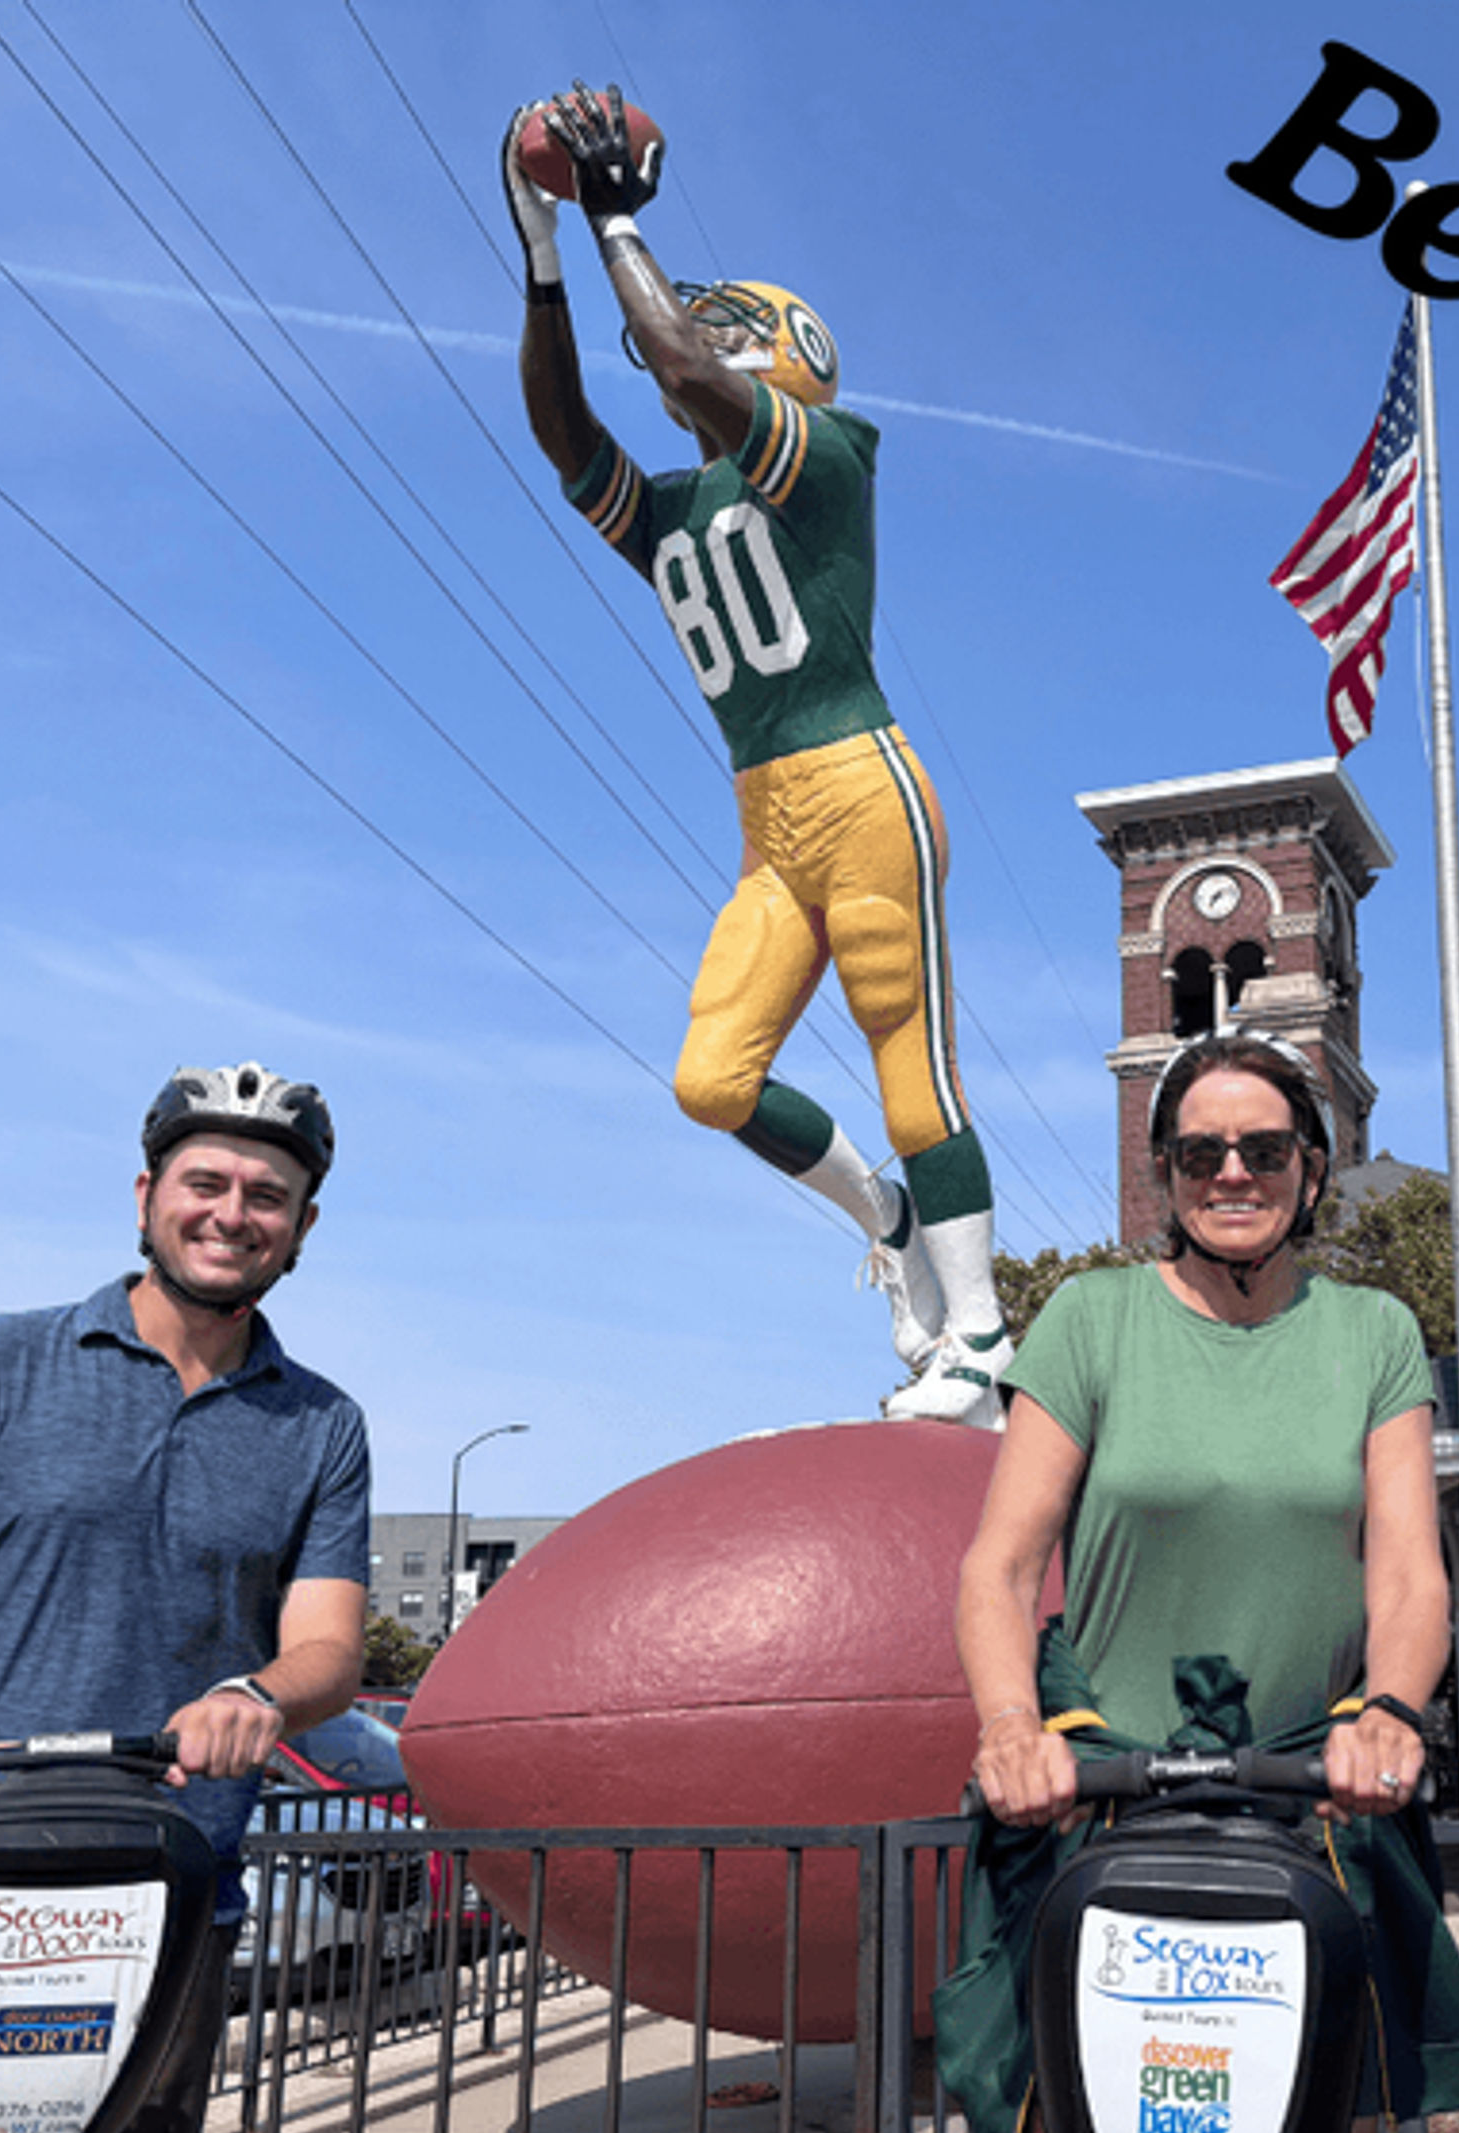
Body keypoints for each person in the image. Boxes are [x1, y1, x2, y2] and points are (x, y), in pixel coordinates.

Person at [502, 83, 1008, 1426]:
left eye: (729, 325)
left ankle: (983, 1331)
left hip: (859, 777)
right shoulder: (675, 511)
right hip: (767, 821)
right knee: (712, 1077)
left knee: (912, 1059)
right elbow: (568, 439)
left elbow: (678, 365)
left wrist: (614, 225)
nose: (691, 334)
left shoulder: (825, 454)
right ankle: (888, 1218)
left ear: (786, 352)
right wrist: (546, 253)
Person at [0, 1062, 375, 2133]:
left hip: (162, 1894)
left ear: (302, 1226)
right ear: (145, 1192)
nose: (232, 1213)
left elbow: (329, 1648)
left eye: (267, 1195)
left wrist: (259, 1693)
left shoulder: (323, 1425)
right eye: (207, 1181)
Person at [941, 1028, 1459, 2133]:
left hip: (1313, 1793)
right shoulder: (1092, 1319)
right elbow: (1000, 1561)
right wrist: (1008, 1729)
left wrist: (1390, 1710)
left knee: (1328, 2123)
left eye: (1266, 1148)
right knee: (1068, 2124)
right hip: (1106, 1790)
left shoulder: (1372, 1332)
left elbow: (1406, 1564)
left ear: (1313, 1168)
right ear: (1166, 1176)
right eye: (1200, 1154)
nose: (1234, 1171)